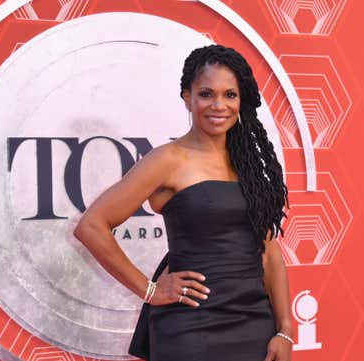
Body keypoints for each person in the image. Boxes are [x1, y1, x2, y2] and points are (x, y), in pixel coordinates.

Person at [73, 44, 293, 361]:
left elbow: (270, 253)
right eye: (206, 94)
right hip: (192, 328)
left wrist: (284, 329)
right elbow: (91, 226)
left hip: (255, 325)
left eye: (229, 95)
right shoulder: (167, 160)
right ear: (187, 97)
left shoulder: (249, 165)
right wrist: (149, 290)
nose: (219, 105)